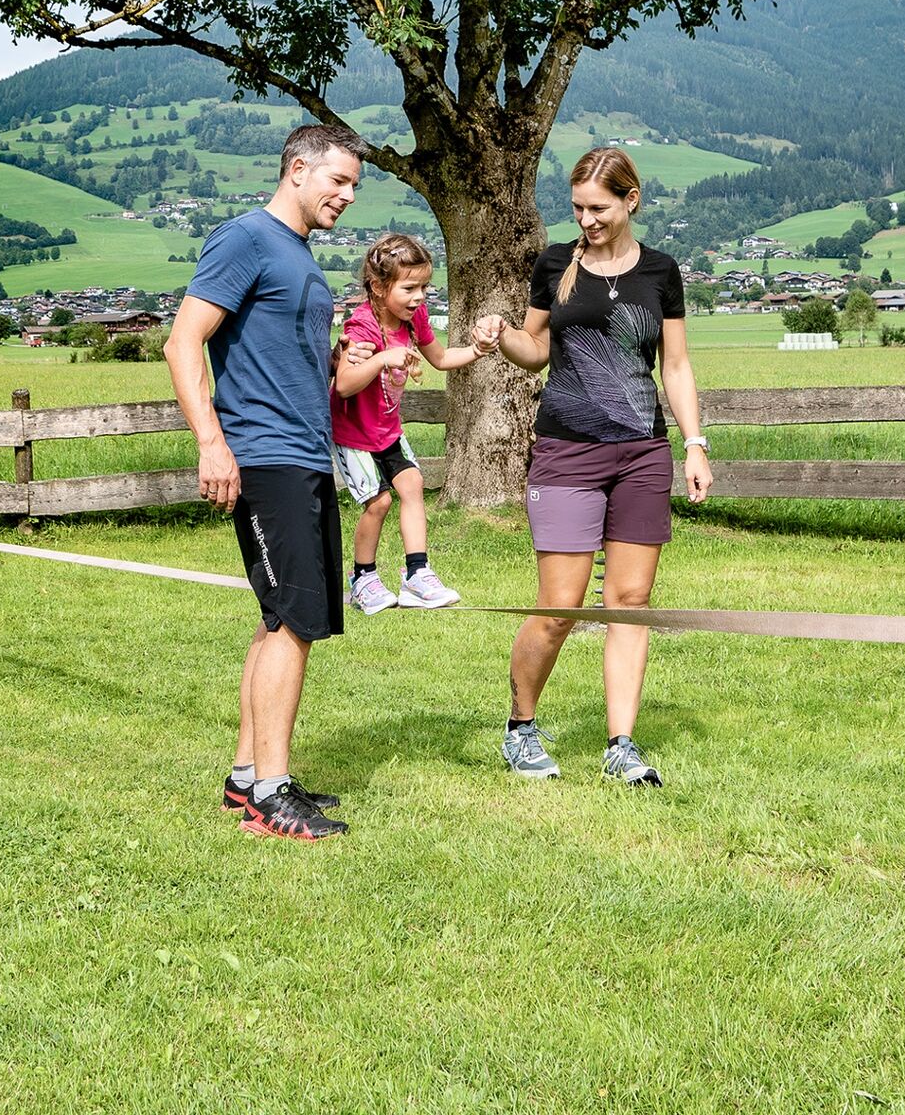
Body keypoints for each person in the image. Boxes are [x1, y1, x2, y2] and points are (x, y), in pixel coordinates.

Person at [477, 147, 712, 787]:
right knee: (560, 606)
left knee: (630, 603)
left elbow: (676, 366)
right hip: (567, 452)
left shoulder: (661, 271)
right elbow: (535, 349)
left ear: (631, 201)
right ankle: (521, 727)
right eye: (578, 208)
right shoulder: (556, 263)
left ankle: (621, 746)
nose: (586, 220)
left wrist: (693, 444)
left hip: (642, 453)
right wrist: (502, 335)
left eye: (599, 208)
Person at [165, 121, 367, 841]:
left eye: (354, 185)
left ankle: (248, 777)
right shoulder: (246, 238)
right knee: (294, 620)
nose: (347, 196)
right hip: (265, 456)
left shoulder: (298, 254)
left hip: (305, 456)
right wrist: (211, 444)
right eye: (338, 180)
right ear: (297, 169)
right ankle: (273, 797)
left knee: (279, 616)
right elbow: (183, 341)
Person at [330, 231, 495, 614]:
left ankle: (417, 575)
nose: (420, 297)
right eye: (409, 288)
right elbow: (345, 386)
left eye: (424, 287)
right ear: (378, 286)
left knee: (413, 485)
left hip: (387, 430)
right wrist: (381, 358)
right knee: (379, 502)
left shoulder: (413, 317)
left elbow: (440, 358)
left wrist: (476, 350)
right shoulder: (361, 327)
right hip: (352, 434)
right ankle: (363, 578)